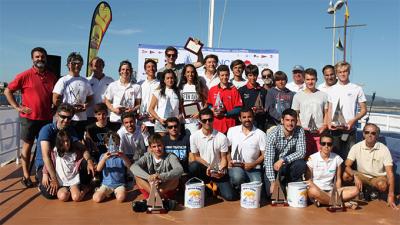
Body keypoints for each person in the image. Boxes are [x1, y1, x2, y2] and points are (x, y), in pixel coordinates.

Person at [4, 47, 57, 187]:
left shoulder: (52, 76)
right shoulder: (25, 75)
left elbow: (55, 96)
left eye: (42, 57)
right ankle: (26, 175)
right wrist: (18, 107)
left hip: (46, 119)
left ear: (46, 58)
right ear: (32, 59)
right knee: (27, 146)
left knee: (46, 147)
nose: (40, 59)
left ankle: (43, 173)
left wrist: (55, 108)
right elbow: (8, 90)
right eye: (37, 57)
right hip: (29, 119)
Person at [36, 103, 95, 199]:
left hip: (66, 164)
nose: (66, 120)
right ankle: (43, 182)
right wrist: (53, 178)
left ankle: (78, 185)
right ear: (56, 115)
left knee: (85, 162)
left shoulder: (70, 130)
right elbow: (46, 156)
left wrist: (89, 160)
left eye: (69, 118)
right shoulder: (47, 130)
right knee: (50, 194)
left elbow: (82, 148)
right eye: (63, 117)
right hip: (46, 166)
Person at [343, 123, 397, 209]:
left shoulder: (384, 149)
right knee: (346, 176)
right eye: (367, 132)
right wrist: (355, 175)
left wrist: (391, 195)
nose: (370, 135)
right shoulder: (356, 147)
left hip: (378, 177)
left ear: (377, 135)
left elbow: (390, 173)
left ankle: (374, 192)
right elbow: (346, 165)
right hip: (362, 175)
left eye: (373, 133)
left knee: (382, 185)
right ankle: (360, 192)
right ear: (363, 134)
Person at [189, 108, 238, 201]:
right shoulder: (194, 137)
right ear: (200, 121)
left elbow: (224, 158)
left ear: (213, 119)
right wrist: (208, 166)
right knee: (193, 166)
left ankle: (215, 187)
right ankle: (207, 188)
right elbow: (196, 156)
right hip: (204, 168)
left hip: (218, 171)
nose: (207, 122)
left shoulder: (222, 137)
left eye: (210, 119)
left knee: (231, 197)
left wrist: (221, 170)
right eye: (204, 120)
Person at [327, 61, 367, 161]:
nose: (343, 74)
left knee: (349, 159)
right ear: (336, 73)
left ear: (349, 72)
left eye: (345, 71)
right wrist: (328, 124)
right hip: (334, 131)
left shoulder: (357, 88)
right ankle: (337, 177)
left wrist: (352, 121)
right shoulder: (331, 89)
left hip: (350, 131)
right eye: (340, 72)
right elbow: (330, 109)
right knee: (334, 158)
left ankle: (348, 176)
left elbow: (364, 110)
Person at [306, 133, 359, 207]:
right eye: (323, 143)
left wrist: (337, 192)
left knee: (356, 190)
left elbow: (338, 180)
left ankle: (325, 201)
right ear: (320, 144)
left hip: (331, 191)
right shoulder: (312, 158)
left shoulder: (337, 158)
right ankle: (340, 203)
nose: (326, 146)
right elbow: (309, 181)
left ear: (332, 146)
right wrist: (320, 192)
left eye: (329, 144)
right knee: (312, 191)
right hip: (317, 190)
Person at [264, 108, 306, 197]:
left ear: (296, 121)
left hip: (288, 165)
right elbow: (268, 160)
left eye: (292, 120)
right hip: (273, 167)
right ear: (282, 120)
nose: (290, 123)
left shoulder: (300, 131)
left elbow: (302, 152)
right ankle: (280, 183)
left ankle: (289, 182)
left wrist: (283, 160)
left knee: (301, 164)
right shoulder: (273, 134)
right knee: (271, 195)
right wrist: (272, 181)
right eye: (287, 120)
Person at [53, 52, 93, 139]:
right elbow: (55, 100)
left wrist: (86, 105)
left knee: (79, 142)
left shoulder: (85, 81)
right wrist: (70, 109)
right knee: (65, 142)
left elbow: (90, 98)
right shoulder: (63, 80)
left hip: (81, 119)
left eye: (79, 63)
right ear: (68, 64)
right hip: (67, 119)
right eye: (74, 63)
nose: (77, 66)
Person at [131, 133, 183, 200]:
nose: (157, 149)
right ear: (150, 148)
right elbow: (133, 167)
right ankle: (155, 195)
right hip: (151, 187)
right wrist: (149, 177)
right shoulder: (147, 156)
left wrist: (160, 176)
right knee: (137, 176)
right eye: (154, 147)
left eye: (159, 145)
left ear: (163, 145)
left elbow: (179, 169)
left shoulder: (171, 156)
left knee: (176, 178)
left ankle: (155, 196)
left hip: (164, 188)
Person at [42, 130, 90, 202]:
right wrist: (45, 173)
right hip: (61, 181)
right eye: (63, 142)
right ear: (59, 142)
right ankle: (69, 191)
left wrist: (89, 160)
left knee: (77, 197)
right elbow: (49, 162)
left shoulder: (75, 151)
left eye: (67, 140)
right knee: (63, 197)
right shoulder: (54, 152)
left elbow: (84, 152)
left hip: (73, 179)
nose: (66, 143)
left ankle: (85, 189)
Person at [227, 108, 266, 193]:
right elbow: (227, 149)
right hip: (236, 166)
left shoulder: (261, 134)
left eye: (249, 117)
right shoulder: (232, 131)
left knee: (257, 186)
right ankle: (238, 189)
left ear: (253, 117)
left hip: (254, 168)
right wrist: (229, 161)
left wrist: (253, 164)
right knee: (238, 177)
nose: (247, 119)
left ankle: (245, 187)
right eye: (244, 117)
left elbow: (264, 154)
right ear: (240, 119)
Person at [291, 68, 328, 157]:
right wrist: (300, 128)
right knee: (306, 158)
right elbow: (295, 115)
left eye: (312, 79)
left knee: (320, 158)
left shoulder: (324, 95)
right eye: (308, 79)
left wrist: (324, 126)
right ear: (304, 80)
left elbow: (326, 113)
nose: (310, 82)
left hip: (319, 133)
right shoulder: (298, 96)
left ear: (316, 80)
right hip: (304, 134)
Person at [92, 131, 132, 203]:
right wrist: (104, 159)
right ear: (106, 145)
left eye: (116, 144)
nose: (113, 147)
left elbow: (130, 167)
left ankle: (116, 193)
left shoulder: (121, 156)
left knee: (121, 198)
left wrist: (124, 157)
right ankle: (107, 193)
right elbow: (98, 169)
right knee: (96, 198)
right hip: (106, 185)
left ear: (119, 144)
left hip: (119, 184)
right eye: (110, 145)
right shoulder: (103, 156)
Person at [104, 60, 141, 131]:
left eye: (127, 69)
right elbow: (107, 101)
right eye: (123, 69)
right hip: (115, 120)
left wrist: (132, 110)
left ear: (131, 71)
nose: (125, 71)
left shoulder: (136, 87)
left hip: (129, 121)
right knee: (115, 141)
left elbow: (138, 104)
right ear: (120, 71)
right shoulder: (113, 85)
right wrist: (114, 110)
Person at [207, 65, 243, 134]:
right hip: (216, 125)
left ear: (229, 75)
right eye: (222, 75)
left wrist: (225, 114)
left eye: (226, 75)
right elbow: (209, 105)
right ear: (218, 76)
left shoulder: (234, 90)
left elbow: (239, 108)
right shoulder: (212, 89)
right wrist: (212, 110)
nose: (224, 77)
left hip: (231, 126)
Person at [149, 69, 182, 134]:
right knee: (161, 144)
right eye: (167, 78)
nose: (170, 80)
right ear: (164, 80)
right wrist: (159, 119)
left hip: (174, 125)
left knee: (173, 144)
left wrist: (179, 117)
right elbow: (150, 109)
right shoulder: (158, 92)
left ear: (175, 79)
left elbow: (181, 109)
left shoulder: (179, 92)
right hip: (161, 124)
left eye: (172, 78)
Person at [178, 64, 208, 133]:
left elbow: (207, 102)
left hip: (197, 121)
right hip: (184, 121)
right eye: (188, 72)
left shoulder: (200, 86)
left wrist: (200, 112)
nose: (190, 74)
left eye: (192, 72)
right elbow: (180, 104)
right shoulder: (182, 87)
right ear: (184, 74)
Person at [238, 64, 267, 130]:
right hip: (246, 123)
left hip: (260, 123)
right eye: (250, 75)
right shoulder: (242, 90)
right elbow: (240, 108)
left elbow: (266, 108)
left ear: (257, 75)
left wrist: (262, 110)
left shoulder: (263, 90)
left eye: (255, 75)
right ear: (246, 76)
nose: (253, 78)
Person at [86, 57, 114, 123]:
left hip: (106, 116)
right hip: (90, 115)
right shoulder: (87, 81)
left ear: (103, 66)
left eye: (100, 65)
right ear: (91, 67)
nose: (98, 67)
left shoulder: (110, 80)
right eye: (96, 66)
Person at [138, 59, 160, 136]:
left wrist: (156, 117)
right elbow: (138, 102)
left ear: (156, 68)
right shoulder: (140, 84)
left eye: (153, 66)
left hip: (156, 122)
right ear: (145, 69)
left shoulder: (161, 84)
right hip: (142, 122)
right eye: (148, 67)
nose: (151, 68)